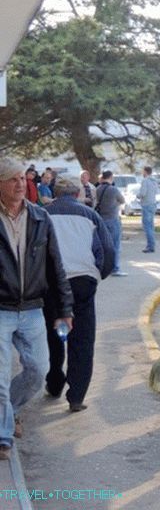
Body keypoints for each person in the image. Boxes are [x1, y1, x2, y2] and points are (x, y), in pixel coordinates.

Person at [0, 159, 73, 460]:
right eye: (12, 179)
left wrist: (65, 309)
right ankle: (3, 438)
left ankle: (8, 413)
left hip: (33, 309)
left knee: (38, 370)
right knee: (0, 380)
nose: (20, 184)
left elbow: (56, 267)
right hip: (1, 309)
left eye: (22, 178)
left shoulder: (41, 217)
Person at [41, 178, 114, 412]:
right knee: (82, 338)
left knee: (53, 335)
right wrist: (98, 274)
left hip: (51, 282)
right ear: (77, 193)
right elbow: (107, 250)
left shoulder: (42, 214)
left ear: (56, 192)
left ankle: (54, 381)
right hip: (82, 280)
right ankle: (76, 396)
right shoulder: (90, 215)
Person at [95, 171, 127, 276]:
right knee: (115, 245)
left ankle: (103, 267)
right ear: (111, 177)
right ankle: (115, 268)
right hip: (112, 219)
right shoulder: (113, 189)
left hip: (101, 219)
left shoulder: (98, 189)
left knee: (103, 244)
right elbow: (122, 200)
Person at [138, 166, 159, 253]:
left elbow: (143, 193)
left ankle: (150, 246)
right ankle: (152, 244)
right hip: (153, 203)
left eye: (143, 171)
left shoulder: (145, 181)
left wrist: (137, 195)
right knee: (151, 225)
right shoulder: (154, 181)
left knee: (147, 226)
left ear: (145, 172)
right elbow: (157, 191)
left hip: (146, 204)